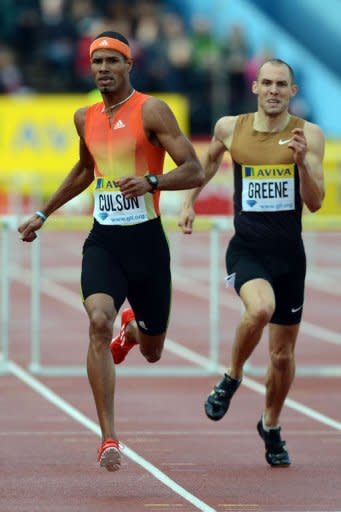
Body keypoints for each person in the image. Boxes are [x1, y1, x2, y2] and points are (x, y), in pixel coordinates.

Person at [18, 31, 204, 472]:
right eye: (96, 61)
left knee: (154, 349)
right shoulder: (85, 117)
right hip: (104, 241)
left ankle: (133, 332)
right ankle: (108, 438)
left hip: (147, 244)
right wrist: (43, 214)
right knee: (96, 321)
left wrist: (153, 182)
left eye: (111, 61)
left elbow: (194, 169)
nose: (103, 68)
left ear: (128, 66)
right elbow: (85, 169)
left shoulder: (152, 110)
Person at [179, 58, 325, 467]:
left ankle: (271, 424)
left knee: (282, 357)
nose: (274, 90)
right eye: (267, 83)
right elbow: (205, 163)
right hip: (247, 248)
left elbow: (315, 202)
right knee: (261, 308)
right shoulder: (230, 128)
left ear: (292, 92)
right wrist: (189, 202)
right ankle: (233, 376)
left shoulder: (308, 135)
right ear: (256, 88)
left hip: (289, 256)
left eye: (282, 84)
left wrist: (300, 164)